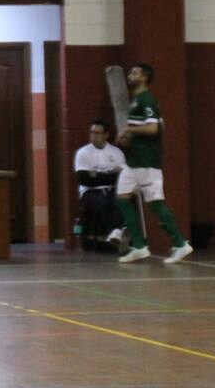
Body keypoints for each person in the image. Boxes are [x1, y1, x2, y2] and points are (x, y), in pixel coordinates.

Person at [113, 63, 193, 264]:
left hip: (147, 162)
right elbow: (141, 130)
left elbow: (152, 129)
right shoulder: (135, 101)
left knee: (156, 204)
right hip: (133, 162)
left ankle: (180, 243)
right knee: (122, 198)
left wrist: (129, 130)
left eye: (135, 72)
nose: (130, 75)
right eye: (130, 72)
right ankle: (139, 246)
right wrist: (127, 138)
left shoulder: (147, 99)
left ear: (145, 78)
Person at [73, 120, 126, 249]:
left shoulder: (116, 152)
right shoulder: (83, 153)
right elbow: (84, 179)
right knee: (103, 202)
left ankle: (116, 233)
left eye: (97, 133)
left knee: (121, 200)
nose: (93, 136)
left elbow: (121, 176)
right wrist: (109, 174)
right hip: (90, 191)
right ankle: (115, 231)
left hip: (112, 188)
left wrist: (96, 174)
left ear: (106, 135)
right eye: (92, 133)